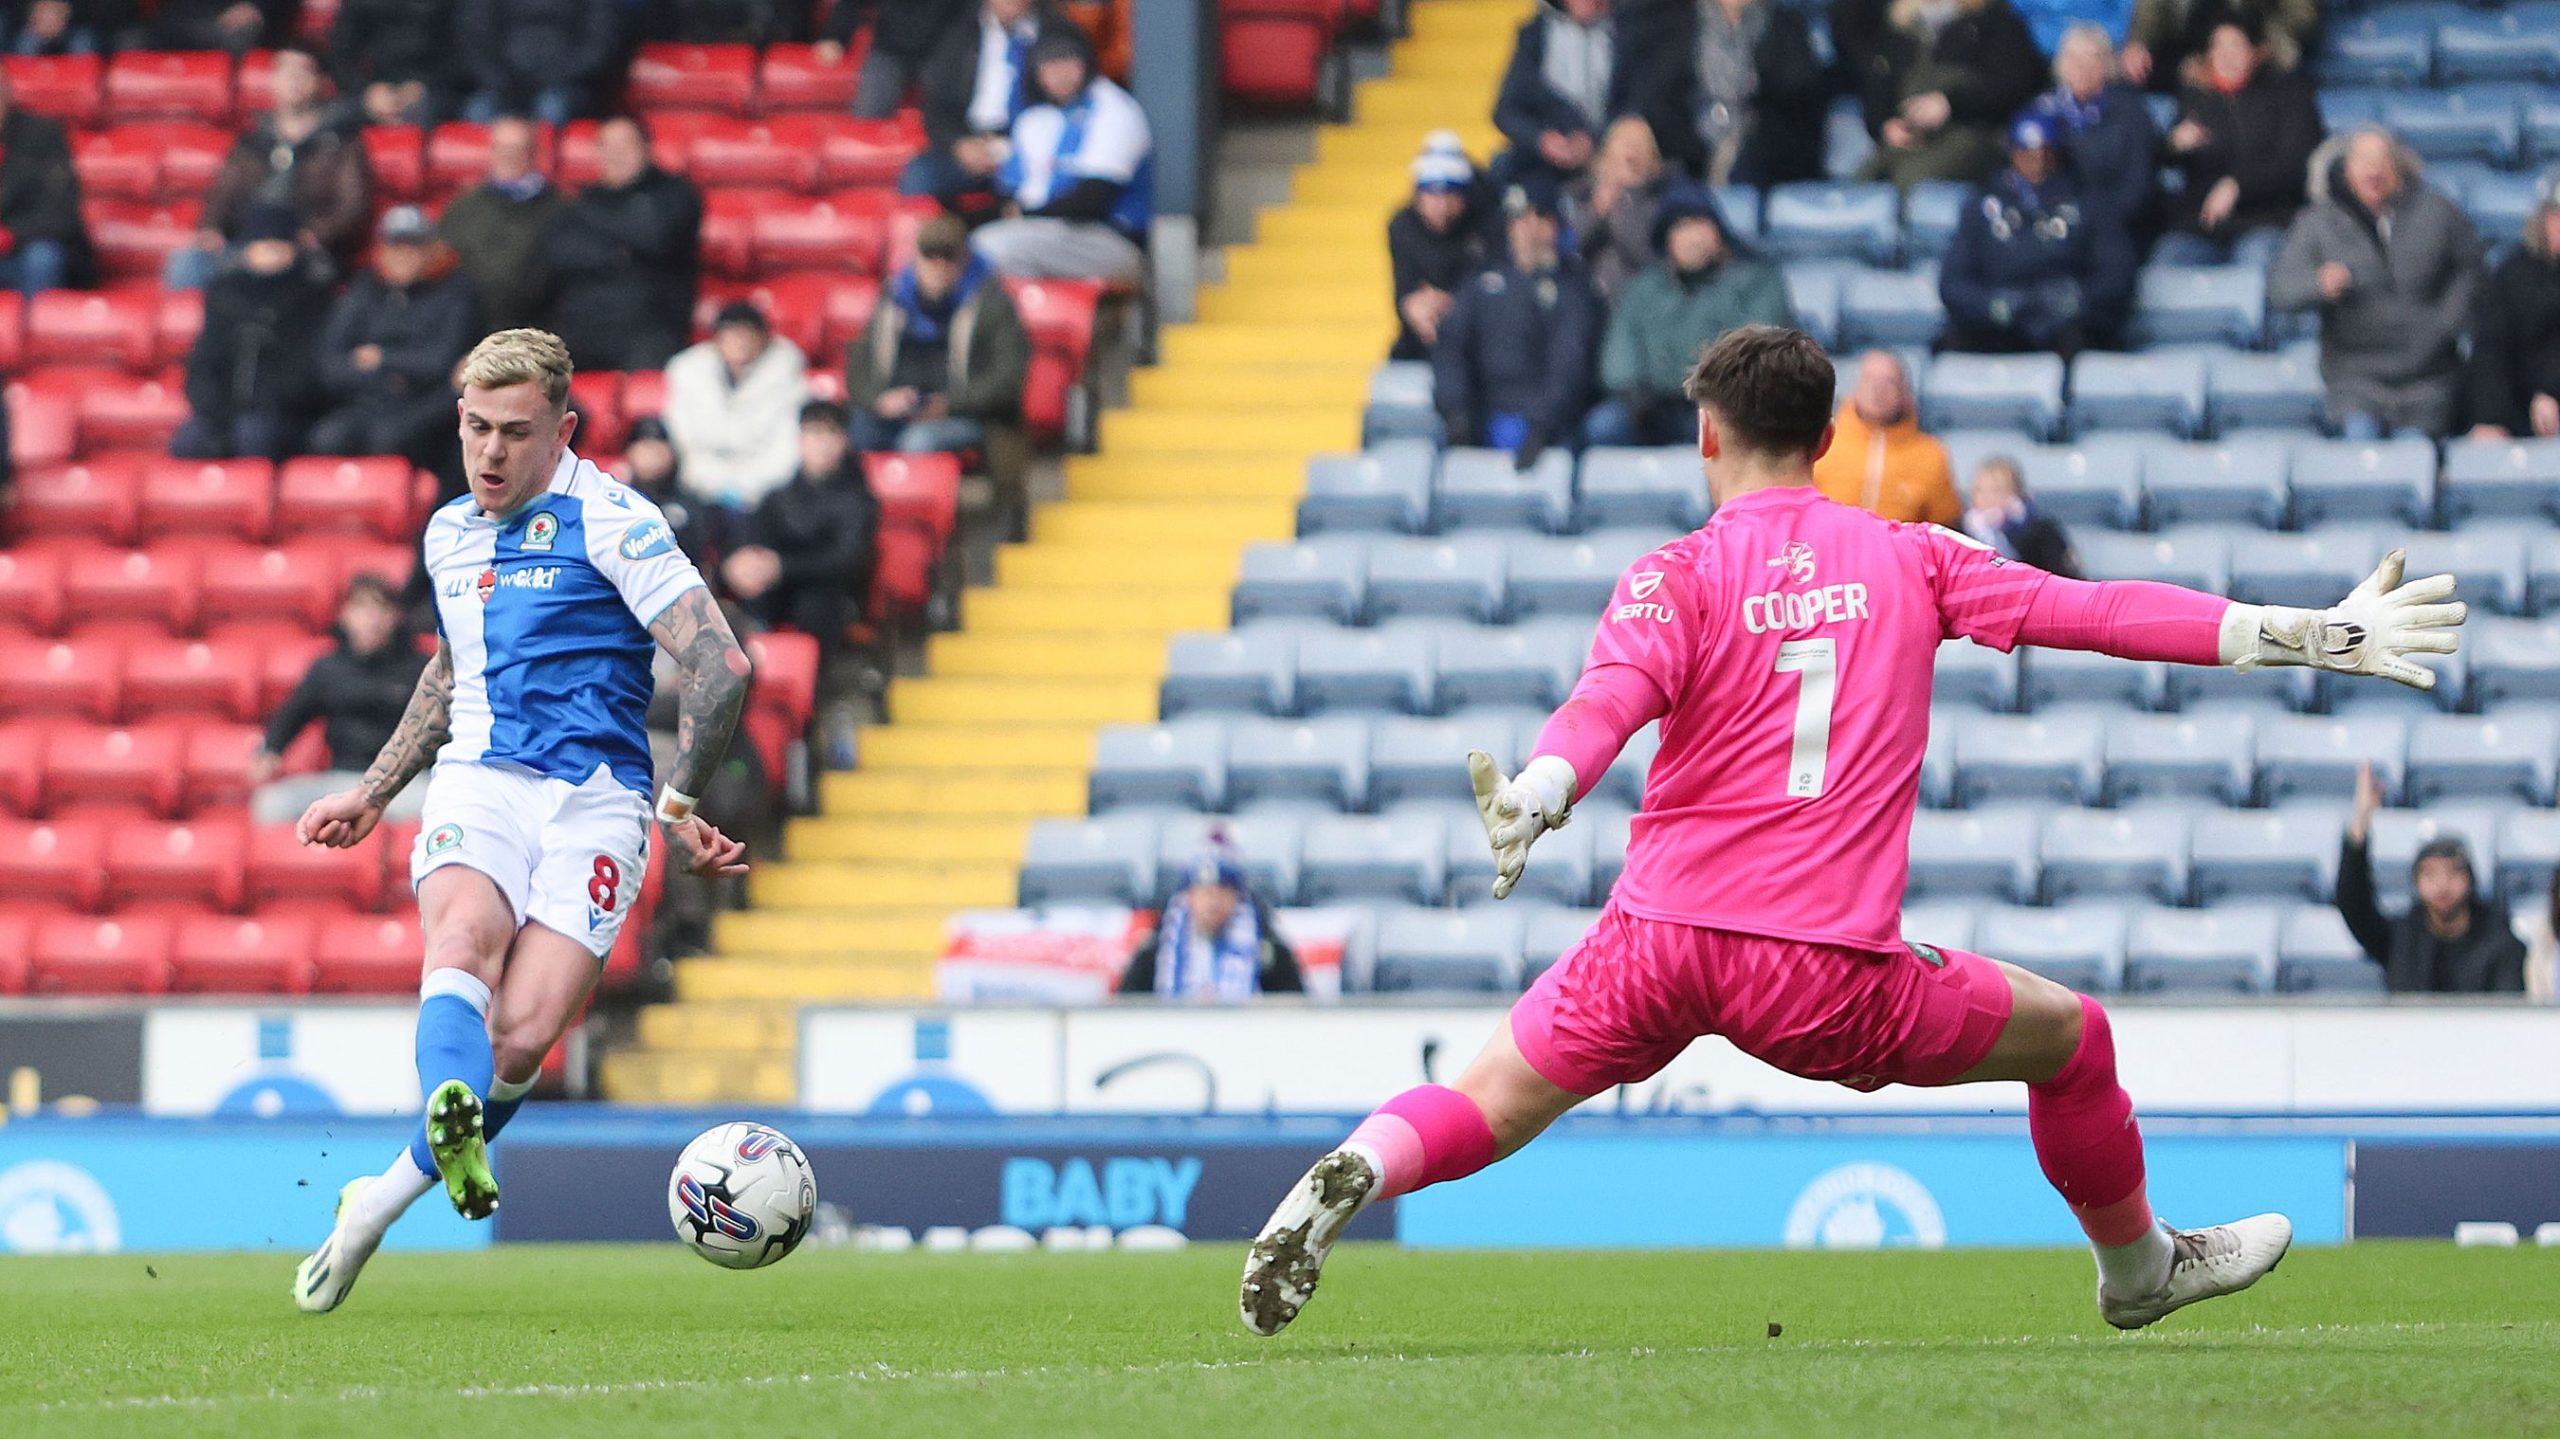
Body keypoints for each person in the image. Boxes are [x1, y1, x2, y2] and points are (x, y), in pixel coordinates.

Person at [1238, 323, 2469, 1339]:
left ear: (1706, 435)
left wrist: (1547, 787)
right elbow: (2095, 611)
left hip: (1654, 938)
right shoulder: (1913, 555)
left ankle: (1359, 1166)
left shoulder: (1675, 572)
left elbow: (1607, 699)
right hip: (1818, 968)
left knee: (1487, 1094)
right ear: (1828, 440)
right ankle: (2139, 1267)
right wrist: (2307, 628)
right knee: (2070, 1035)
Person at [291, 328, 754, 1314]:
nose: (491, 453)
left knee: (521, 1039)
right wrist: (374, 792)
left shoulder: (615, 522)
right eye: (474, 429)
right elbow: (453, 668)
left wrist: (678, 804)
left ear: (564, 431)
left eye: (514, 432)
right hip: (481, 779)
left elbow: (722, 664)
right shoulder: (450, 531)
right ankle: (435, 1135)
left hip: (597, 799)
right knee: (462, 935)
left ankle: (374, 1200)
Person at [2268, 127, 2480, 441]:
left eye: (2383, 159)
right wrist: (2318, 284)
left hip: (2428, 382)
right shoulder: (2316, 222)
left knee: (2414, 458)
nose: (2374, 169)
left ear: (2400, 166)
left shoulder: (2438, 212)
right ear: (2346, 168)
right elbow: (2280, 290)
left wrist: (2444, 324)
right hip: (2355, 382)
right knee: (2360, 454)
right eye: (2364, 160)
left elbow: (2472, 269)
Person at [847, 213, 1033, 524]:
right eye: (929, 256)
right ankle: (863, 523)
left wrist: (948, 405)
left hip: (968, 414)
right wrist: (880, 399)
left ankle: (921, 527)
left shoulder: (992, 304)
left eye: (948, 257)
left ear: (963, 260)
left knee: (918, 442)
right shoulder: (893, 298)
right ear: (915, 257)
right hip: (898, 407)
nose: (938, 266)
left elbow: (1008, 378)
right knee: (857, 431)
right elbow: (858, 367)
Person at [1587, 184, 1793, 448]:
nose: (1693, 237)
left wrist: (1707, 394)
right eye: (1681, 227)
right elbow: (1619, 357)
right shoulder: (1644, 288)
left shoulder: (1757, 280)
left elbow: (1758, 351)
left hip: (1730, 407)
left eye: (1700, 224)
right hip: (1652, 407)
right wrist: (1639, 398)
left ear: (1719, 231)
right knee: (1603, 427)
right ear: (1667, 240)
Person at [1433, 176, 1602, 470]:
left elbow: (1571, 362)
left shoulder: (1574, 287)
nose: (1525, 228)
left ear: (1552, 224)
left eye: (1535, 218)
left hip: (1548, 426)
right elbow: (1451, 346)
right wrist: (1456, 412)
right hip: (1481, 418)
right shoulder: (1482, 282)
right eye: (1518, 220)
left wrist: (1543, 423)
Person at [172, 47, 373, 288]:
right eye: (285, 70)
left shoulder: (342, 140)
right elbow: (222, 192)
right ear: (272, 80)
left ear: (321, 82)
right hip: (247, 242)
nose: (293, 78)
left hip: (304, 243)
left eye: (304, 71)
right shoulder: (253, 138)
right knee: (187, 264)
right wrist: (211, 228)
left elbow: (353, 204)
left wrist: (309, 238)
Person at [1939, 116, 2135, 356]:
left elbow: (2116, 274)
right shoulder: (1982, 204)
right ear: (2012, 152)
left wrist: (2077, 299)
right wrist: (1994, 304)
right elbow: (1953, 282)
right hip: (2001, 322)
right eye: (2027, 152)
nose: (2038, 161)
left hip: (2066, 324)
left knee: (2083, 343)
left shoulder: (2090, 202)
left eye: (2046, 152)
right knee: (1955, 343)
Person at [973, 26, 1152, 284]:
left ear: (1085, 63)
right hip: (1042, 233)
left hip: (1108, 238)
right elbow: (1009, 193)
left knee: (989, 249)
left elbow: (1093, 199)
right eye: (1049, 65)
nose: (1059, 74)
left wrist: (1025, 215)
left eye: (1067, 62)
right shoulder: (1033, 120)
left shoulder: (1113, 109)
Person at [249, 575, 433, 826]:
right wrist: (270, 751)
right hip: (341, 778)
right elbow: (292, 715)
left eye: (380, 608)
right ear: (345, 615)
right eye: (361, 609)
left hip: (401, 783)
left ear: (396, 616)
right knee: (273, 803)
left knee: (435, 803)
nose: (371, 618)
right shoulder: (328, 668)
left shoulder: (421, 668)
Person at [308, 206, 477, 466]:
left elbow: (443, 360)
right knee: (326, 438)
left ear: (430, 249)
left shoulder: (455, 290)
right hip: (366, 400)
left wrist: (382, 358)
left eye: (413, 247)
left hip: (426, 402)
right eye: (396, 246)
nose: (403, 256)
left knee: (389, 439)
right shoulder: (364, 289)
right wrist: (380, 377)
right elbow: (330, 363)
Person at [2338, 763, 2526, 994]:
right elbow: (2354, 904)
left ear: (2470, 879)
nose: (2442, 884)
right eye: (2430, 874)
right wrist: (2361, 822)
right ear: (2416, 882)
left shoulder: (2499, 942)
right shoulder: (2401, 940)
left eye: (2453, 872)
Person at [2153, 20, 2322, 269]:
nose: (2226, 55)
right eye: (2218, 47)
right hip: (2201, 226)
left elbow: (2297, 162)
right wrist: (2173, 146)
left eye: (2235, 46)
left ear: (2256, 52)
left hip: (2266, 220)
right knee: (2166, 265)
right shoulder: (2194, 98)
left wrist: (2238, 185)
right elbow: (2162, 160)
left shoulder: (2289, 93)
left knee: (2255, 263)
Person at [541, 115, 703, 372]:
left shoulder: (675, 194)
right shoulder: (580, 200)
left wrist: (599, 230)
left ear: (646, 148)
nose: (615, 155)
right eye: (607, 146)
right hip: (581, 328)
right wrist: (621, 253)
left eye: (625, 145)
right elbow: (560, 255)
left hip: (649, 329)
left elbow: (657, 238)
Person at [173, 204, 333, 461]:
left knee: (253, 434)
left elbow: (308, 369)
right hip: (223, 412)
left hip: (285, 415)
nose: (270, 254)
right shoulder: (224, 294)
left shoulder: (312, 297)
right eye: (263, 245)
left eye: (278, 245)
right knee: (189, 442)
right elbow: (204, 359)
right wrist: (216, 408)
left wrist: (268, 405)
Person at [722, 401, 879, 659]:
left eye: (832, 434)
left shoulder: (858, 500)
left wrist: (782, 566)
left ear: (845, 441)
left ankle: (813, 687)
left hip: (831, 593)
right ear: (800, 439)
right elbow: (754, 538)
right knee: (742, 599)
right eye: (816, 433)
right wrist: (738, 564)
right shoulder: (778, 497)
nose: (824, 444)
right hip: (778, 588)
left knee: (815, 605)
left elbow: (850, 558)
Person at [1856, 0, 2044, 192]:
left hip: (1974, 134)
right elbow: (1878, 84)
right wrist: (1885, 124)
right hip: (1910, 135)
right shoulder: (1900, 29)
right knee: (1862, 182)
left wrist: (1950, 103)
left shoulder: (1999, 24)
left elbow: (2011, 87)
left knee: (1911, 179)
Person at [903, 0, 1060, 213]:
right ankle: (935, 244)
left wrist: (1016, 146)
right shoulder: (957, 31)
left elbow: (1063, 105)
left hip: (1031, 150)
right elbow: (936, 107)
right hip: (968, 137)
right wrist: (959, 144)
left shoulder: (1055, 32)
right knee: (920, 175)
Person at [1492, 0, 1667, 185]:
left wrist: (1597, 141)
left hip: (1612, 159)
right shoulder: (1535, 35)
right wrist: (1542, 140)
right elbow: (1505, 111)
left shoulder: (1629, 33)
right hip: (1545, 167)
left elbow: (1639, 103)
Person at [1660, 0, 1828, 186]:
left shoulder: (1786, 24)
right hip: (1689, 157)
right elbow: (1660, 98)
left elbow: (1801, 100)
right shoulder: (1673, 20)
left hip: (1764, 161)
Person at [2023, 24, 2159, 249]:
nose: (2083, 68)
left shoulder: (2131, 113)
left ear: (2107, 66)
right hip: (2050, 228)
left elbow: (2138, 188)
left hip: (2114, 230)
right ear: (2061, 63)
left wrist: (2088, 221)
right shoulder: (2040, 112)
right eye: (2074, 58)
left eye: (2093, 58)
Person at [664, 301, 810, 510]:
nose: (740, 343)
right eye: (732, 335)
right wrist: (712, 484)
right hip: (698, 484)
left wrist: (749, 489)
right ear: (717, 340)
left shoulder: (789, 378)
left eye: (747, 334)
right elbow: (683, 439)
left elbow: (787, 447)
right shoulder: (688, 374)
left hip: (767, 491)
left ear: (764, 339)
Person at [1118, 843, 1304, 1001]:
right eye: (1204, 892)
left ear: (1237, 898)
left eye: (1222, 892)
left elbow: (1295, 1009)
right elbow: (1127, 1008)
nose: (1212, 901)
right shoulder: (1156, 950)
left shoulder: (1268, 951)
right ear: (1189, 896)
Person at [437, 116, 568, 332]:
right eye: (501, 148)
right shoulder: (462, 208)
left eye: (517, 148)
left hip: (535, 329)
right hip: (467, 329)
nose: (508, 156)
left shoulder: (559, 209)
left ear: (534, 152)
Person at [1811, 349, 1961, 525]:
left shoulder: (1932, 454)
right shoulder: (1819, 441)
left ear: (1905, 392)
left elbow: (1944, 526)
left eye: (1888, 382)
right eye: (1869, 380)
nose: (1877, 390)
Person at [2464, 181, 2560, 444]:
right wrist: (2491, 418)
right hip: (2519, 414)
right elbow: (2491, 350)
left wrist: (2552, 391)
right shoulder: (2513, 275)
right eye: (2557, 215)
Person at [1390, 133, 1491, 356]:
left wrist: (1454, 304)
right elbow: (1405, 291)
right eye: (1433, 196)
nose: (1442, 207)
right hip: (1422, 337)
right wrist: (1414, 308)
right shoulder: (1402, 227)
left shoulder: (1486, 225)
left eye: (1451, 196)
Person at [459, 0, 621, 126]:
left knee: (551, 108)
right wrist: (501, 79)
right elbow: (475, 38)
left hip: (566, 84)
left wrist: (560, 75)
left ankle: (542, 169)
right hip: (503, 84)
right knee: (478, 111)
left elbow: (598, 42)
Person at [0, 69, 87, 297]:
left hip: (32, 248)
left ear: (7, 92)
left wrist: (11, 235)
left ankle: (36, 330)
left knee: (41, 257)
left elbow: (62, 213)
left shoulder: (42, 133)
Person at [1561, 117, 1662, 305]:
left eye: (1639, 143)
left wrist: (1625, 199)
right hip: (1586, 299)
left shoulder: (1659, 200)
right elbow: (1571, 245)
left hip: (1636, 301)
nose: (1631, 149)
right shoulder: (1580, 193)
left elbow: (1647, 255)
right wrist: (1597, 210)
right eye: (1625, 141)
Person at [617, 414, 736, 574]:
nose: (652, 453)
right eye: (645, 446)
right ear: (629, 452)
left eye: (659, 446)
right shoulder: (615, 502)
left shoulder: (694, 503)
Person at [818, 0, 974, 119]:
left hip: (943, 52)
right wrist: (834, 37)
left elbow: (976, 14)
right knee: (870, 112)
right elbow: (851, 3)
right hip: (890, 49)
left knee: (951, 114)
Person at [2121, 0, 2317, 90]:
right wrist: (2139, 42)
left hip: (2257, 42)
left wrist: (2264, 49)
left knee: (2287, 58)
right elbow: (2152, 9)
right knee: (2129, 68)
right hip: (2188, 48)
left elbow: (2302, 13)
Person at [329, 0, 465, 127]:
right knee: (330, 126)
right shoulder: (361, 4)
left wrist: (424, 86)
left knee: (418, 114)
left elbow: (465, 55)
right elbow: (340, 57)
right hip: (378, 89)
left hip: (438, 88)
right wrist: (368, 91)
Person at [1963, 454, 2080, 575]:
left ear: (2016, 493)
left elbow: (2066, 576)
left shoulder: (2042, 532)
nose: (1987, 498)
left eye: (1996, 490)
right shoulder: (1959, 533)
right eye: (1980, 490)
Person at [150, 0, 291, 52]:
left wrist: (255, 7)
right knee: (132, 41)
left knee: (241, 37)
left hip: (234, 29)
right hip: (180, 23)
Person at [7, 0, 121, 55]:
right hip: (34, 24)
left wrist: (63, 14)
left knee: (84, 41)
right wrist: (35, 16)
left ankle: (78, 92)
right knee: (26, 42)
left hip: (74, 25)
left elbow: (92, 9)